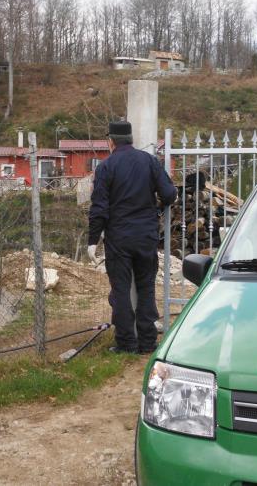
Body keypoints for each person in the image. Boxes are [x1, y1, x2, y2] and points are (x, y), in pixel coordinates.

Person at [88, 121, 177, 354]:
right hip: (146, 235)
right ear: (131, 138)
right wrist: (158, 205)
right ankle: (148, 343)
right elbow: (169, 193)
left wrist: (92, 240)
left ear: (111, 141)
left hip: (118, 239)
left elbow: (99, 207)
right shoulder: (149, 161)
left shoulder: (106, 167)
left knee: (121, 290)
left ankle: (126, 343)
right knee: (146, 287)